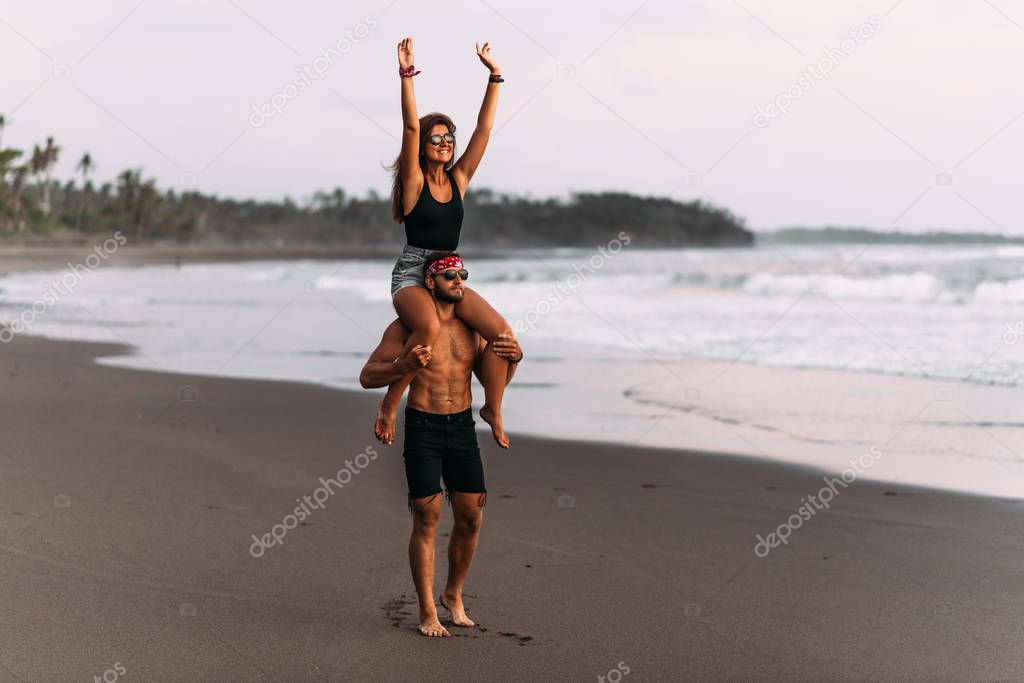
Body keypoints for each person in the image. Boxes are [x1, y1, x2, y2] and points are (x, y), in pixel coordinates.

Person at [359, 254, 523, 638]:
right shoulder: (406, 328)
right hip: (423, 427)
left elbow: (488, 375)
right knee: (427, 519)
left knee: (471, 517)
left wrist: (514, 361)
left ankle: (454, 594)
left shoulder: (472, 329)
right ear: (430, 282)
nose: (459, 280)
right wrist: (402, 366)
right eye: (450, 275)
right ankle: (428, 611)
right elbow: (367, 376)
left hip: (462, 426)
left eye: (463, 274)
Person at [377, 36, 515, 450]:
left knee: (503, 337)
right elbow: (409, 126)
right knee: (430, 325)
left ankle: (492, 408)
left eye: (448, 137)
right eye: (437, 138)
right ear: (424, 148)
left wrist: (494, 75)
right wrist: (407, 75)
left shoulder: (458, 180)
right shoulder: (415, 183)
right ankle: (390, 404)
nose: (446, 143)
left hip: (449, 271)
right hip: (414, 274)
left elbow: (484, 129)